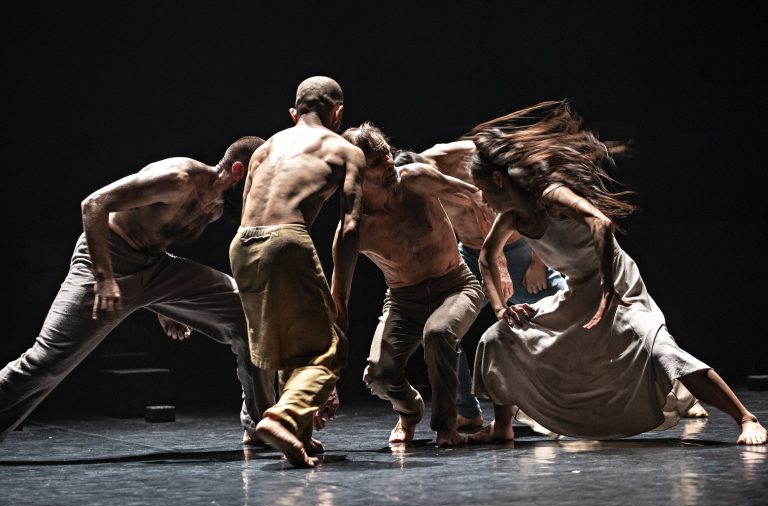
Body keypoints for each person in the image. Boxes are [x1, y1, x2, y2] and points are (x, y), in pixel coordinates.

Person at [464, 100, 766, 445]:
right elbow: (487, 258)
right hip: (578, 289)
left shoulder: (551, 195)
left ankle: (746, 417)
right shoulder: (511, 218)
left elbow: (600, 223)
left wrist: (609, 289)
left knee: (660, 351)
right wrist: (502, 308)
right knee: (498, 338)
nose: (481, 197)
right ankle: (501, 427)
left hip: (617, 281)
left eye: (483, 188)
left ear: (499, 180)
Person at [0, 136, 276, 444]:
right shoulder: (178, 179)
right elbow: (94, 205)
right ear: (239, 171)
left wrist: (166, 301)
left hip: (156, 266)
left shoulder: (214, 208)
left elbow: (157, 241)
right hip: (108, 260)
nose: (264, 188)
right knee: (46, 362)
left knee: (251, 313)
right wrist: (105, 277)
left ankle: (262, 426)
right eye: (261, 177)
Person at [230, 76, 365, 468]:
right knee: (329, 347)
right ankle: (280, 418)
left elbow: (246, 211)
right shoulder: (344, 149)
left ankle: (298, 435)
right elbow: (351, 228)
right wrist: (340, 295)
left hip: (242, 244)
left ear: (294, 113)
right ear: (337, 113)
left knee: (292, 346)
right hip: (285, 240)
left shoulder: (265, 147)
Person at [394, 143, 566, 430]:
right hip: (473, 256)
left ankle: (567, 399)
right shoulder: (412, 186)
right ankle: (467, 410)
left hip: (519, 252)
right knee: (441, 329)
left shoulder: (463, 155)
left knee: (567, 313)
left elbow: (530, 194)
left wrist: (538, 261)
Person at [336, 122, 485, 447]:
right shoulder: (356, 228)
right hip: (404, 301)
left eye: (387, 154)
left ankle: (446, 427)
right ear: (357, 174)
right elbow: (338, 298)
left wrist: (494, 249)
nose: (389, 163)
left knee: (439, 333)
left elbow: (473, 193)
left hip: (457, 285)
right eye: (377, 162)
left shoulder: (416, 179)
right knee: (378, 373)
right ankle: (409, 410)